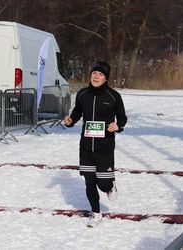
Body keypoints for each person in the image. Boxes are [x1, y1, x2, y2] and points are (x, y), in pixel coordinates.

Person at [64, 61, 127, 227]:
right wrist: (70, 121)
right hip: (86, 147)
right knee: (89, 182)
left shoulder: (113, 96)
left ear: (105, 79)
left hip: (104, 148)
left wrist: (118, 126)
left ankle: (110, 186)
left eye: (100, 74)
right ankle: (96, 213)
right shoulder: (83, 94)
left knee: (102, 183)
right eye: (94, 73)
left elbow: (122, 117)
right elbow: (77, 112)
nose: (96, 76)